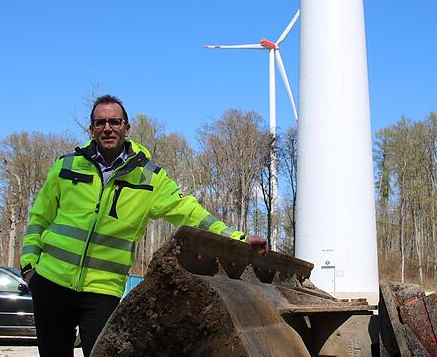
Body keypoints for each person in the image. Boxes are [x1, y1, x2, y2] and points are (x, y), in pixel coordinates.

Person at [20, 94, 268, 357]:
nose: (107, 128)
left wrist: (236, 237)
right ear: (91, 129)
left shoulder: (149, 177)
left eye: (115, 122)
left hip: (102, 291)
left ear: (127, 128)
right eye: (100, 122)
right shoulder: (66, 166)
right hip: (51, 283)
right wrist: (29, 268)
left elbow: (190, 212)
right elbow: (39, 218)